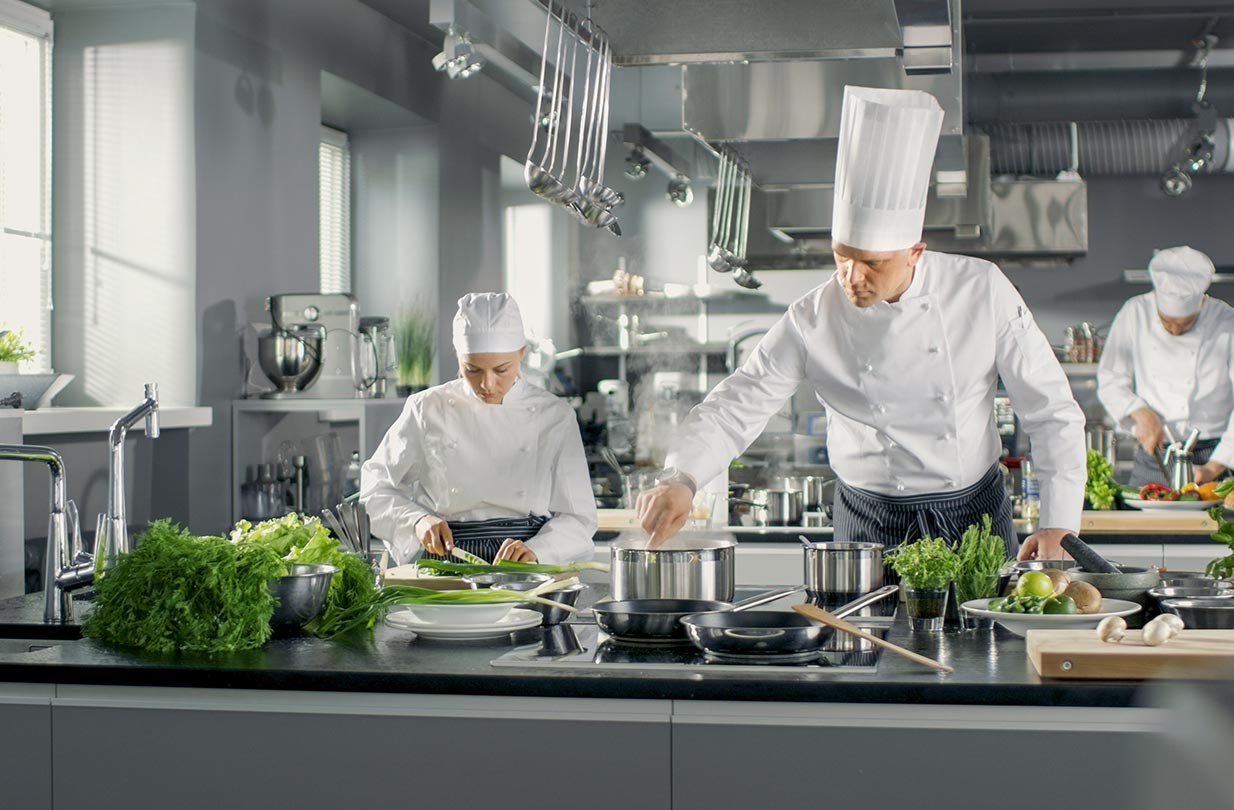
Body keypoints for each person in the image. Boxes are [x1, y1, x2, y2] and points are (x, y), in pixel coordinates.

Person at [636, 86, 1087, 562]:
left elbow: (1049, 408)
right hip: (866, 521)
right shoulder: (812, 317)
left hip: (971, 514)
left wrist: (1060, 523)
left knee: (984, 636)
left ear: (915, 253)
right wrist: (681, 477)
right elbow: (736, 404)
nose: (852, 278)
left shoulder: (981, 289)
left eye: (871, 263)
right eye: (841, 258)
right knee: (859, 637)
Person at [361, 292, 596, 565]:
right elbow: (375, 490)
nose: (487, 384)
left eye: (501, 369)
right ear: (459, 356)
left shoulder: (554, 415)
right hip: (445, 560)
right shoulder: (427, 408)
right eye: (472, 369)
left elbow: (579, 517)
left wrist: (539, 551)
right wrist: (417, 520)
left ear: (521, 353)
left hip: (523, 565)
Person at [1097, 246, 1234, 487]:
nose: (1176, 330)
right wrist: (1140, 412)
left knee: (1214, 525)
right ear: (1156, 297)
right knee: (1144, 524)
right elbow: (1110, 378)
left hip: (1212, 457)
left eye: (1186, 323)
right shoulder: (1134, 312)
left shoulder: (1230, 323)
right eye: (1167, 322)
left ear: (1201, 302)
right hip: (1154, 454)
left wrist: (1213, 467)